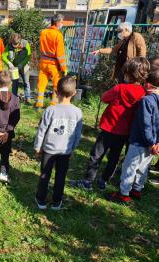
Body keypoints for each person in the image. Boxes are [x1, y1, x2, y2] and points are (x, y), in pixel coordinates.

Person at [70, 57, 150, 191]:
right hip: (125, 132)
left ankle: (88, 181)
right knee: (114, 158)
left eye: (125, 73)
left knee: (96, 155)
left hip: (108, 129)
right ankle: (103, 181)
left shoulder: (119, 88)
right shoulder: (143, 93)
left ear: (129, 74)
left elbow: (104, 98)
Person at [106, 68, 159, 203]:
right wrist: (156, 142)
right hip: (153, 143)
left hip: (140, 142)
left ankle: (123, 193)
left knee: (129, 167)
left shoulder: (146, 101)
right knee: (143, 168)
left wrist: (150, 142)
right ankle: (137, 189)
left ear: (147, 85)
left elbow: (145, 123)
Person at [34, 76, 82, 210]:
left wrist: (38, 147)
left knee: (44, 175)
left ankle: (41, 200)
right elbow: (77, 134)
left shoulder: (50, 110)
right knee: (61, 176)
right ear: (74, 93)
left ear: (56, 91)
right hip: (65, 151)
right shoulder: (77, 112)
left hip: (49, 150)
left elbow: (41, 130)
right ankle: (56, 202)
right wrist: (73, 148)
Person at [36, 14, 67, 109]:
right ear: (57, 22)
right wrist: (64, 68)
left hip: (43, 62)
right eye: (62, 22)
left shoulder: (43, 32)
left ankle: (39, 104)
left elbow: (41, 47)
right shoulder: (58, 35)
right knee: (56, 85)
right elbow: (60, 54)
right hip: (53, 65)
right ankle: (53, 106)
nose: (62, 24)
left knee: (41, 84)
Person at [2, 32, 32, 104]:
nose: (15, 46)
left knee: (26, 82)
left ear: (20, 40)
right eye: (13, 45)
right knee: (15, 83)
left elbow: (28, 56)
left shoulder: (25, 43)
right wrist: (9, 63)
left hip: (24, 66)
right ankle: (14, 99)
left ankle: (28, 99)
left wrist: (22, 64)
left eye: (16, 45)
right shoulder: (9, 46)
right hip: (14, 68)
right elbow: (3, 56)